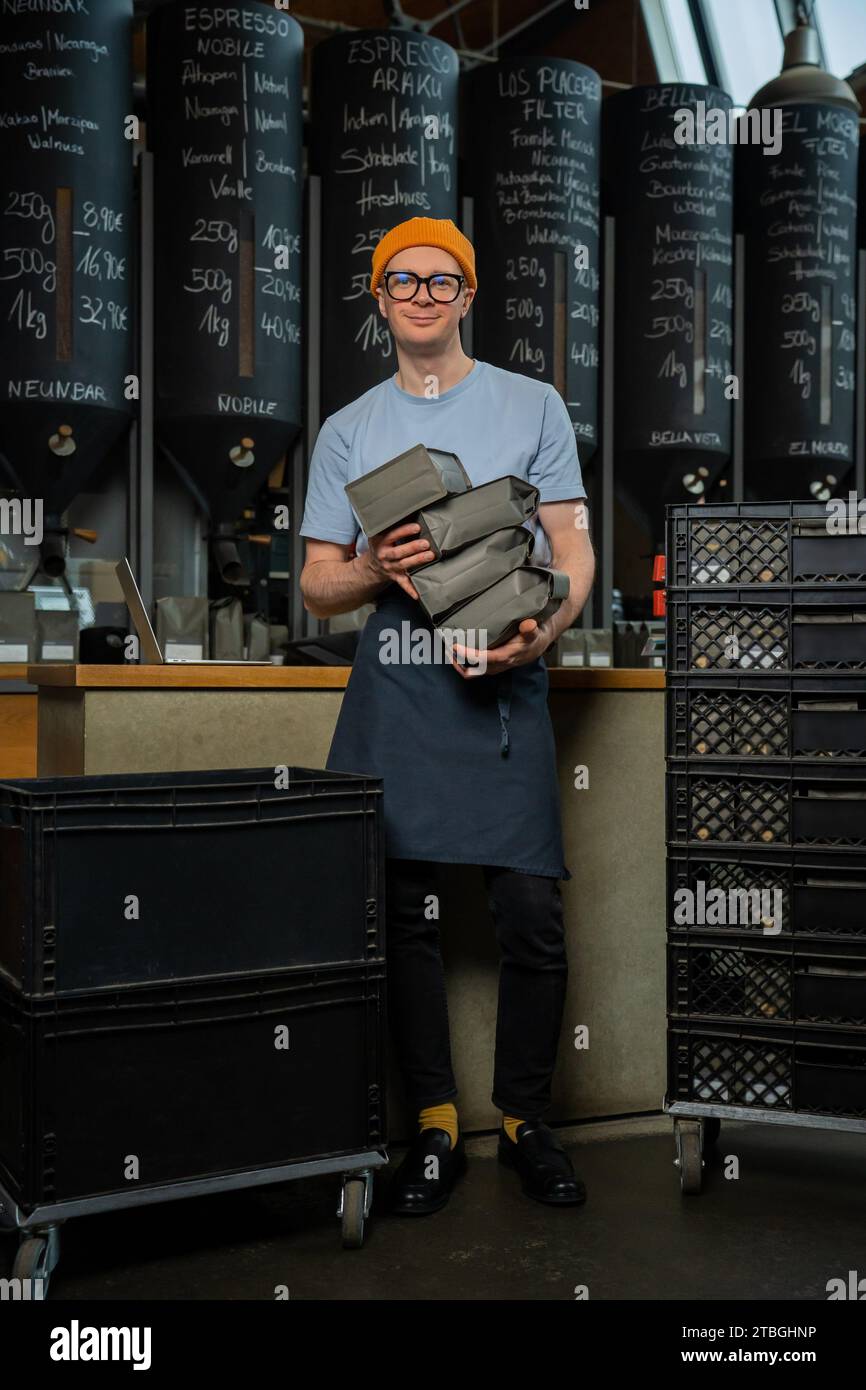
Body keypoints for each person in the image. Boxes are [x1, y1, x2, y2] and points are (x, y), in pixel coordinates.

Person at [299, 216, 596, 1214]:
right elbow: (313, 586)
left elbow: (572, 546)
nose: (421, 295)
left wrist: (540, 632)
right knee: (403, 912)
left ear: (467, 296)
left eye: (441, 280)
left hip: (503, 680)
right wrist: (374, 565)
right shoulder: (348, 429)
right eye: (401, 279)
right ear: (378, 298)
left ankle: (523, 1121)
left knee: (530, 915)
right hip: (399, 686)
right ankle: (432, 1124)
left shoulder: (534, 404)